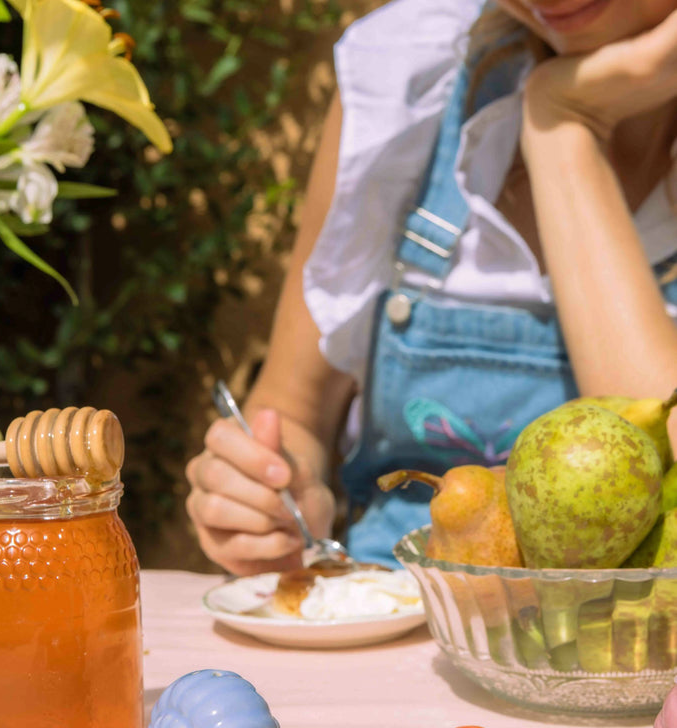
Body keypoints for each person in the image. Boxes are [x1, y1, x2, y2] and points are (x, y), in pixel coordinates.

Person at [186, 0, 677, 576]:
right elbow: (292, 409)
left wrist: (564, 124)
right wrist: (268, 492)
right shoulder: (411, 80)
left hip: (622, 645)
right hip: (394, 611)